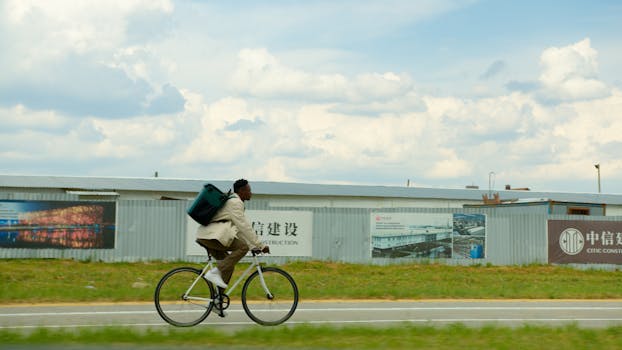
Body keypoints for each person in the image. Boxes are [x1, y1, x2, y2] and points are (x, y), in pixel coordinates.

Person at [196, 179, 269, 291]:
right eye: (249, 190)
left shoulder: (232, 202)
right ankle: (215, 271)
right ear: (242, 191)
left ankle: (218, 301)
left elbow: (238, 230)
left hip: (209, 236)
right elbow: (244, 226)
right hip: (211, 237)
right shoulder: (235, 203)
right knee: (242, 248)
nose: (251, 193)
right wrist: (260, 245)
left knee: (228, 266)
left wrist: (253, 246)